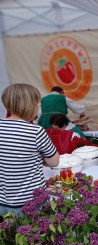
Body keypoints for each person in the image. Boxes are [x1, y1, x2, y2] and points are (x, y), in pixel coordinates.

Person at [0, 84, 59, 216]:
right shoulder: (35, 131)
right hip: (30, 203)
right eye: (37, 101)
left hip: (2, 202)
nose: (39, 105)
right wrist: (38, 157)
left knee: (9, 236)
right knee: (33, 236)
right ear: (29, 104)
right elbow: (54, 161)